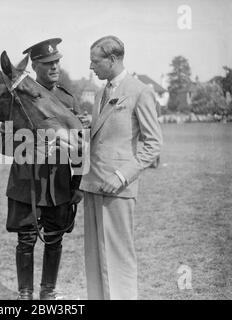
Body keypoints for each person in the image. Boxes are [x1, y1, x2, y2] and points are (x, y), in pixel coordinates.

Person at [0, 38, 83, 300]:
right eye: (48, 63)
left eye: (57, 61)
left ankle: (48, 292)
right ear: (34, 66)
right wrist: (30, 146)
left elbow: (80, 146)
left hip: (59, 182)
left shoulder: (68, 99)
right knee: (25, 240)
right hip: (27, 182)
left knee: (55, 238)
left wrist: (77, 185)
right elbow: (3, 143)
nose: (55, 67)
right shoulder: (19, 94)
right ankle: (25, 294)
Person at [79, 36, 162, 300]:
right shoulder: (101, 93)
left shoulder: (140, 91)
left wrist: (121, 175)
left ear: (112, 60)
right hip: (92, 185)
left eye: (95, 61)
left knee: (119, 260)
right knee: (95, 260)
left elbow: (153, 145)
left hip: (118, 188)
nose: (91, 67)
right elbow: (101, 136)